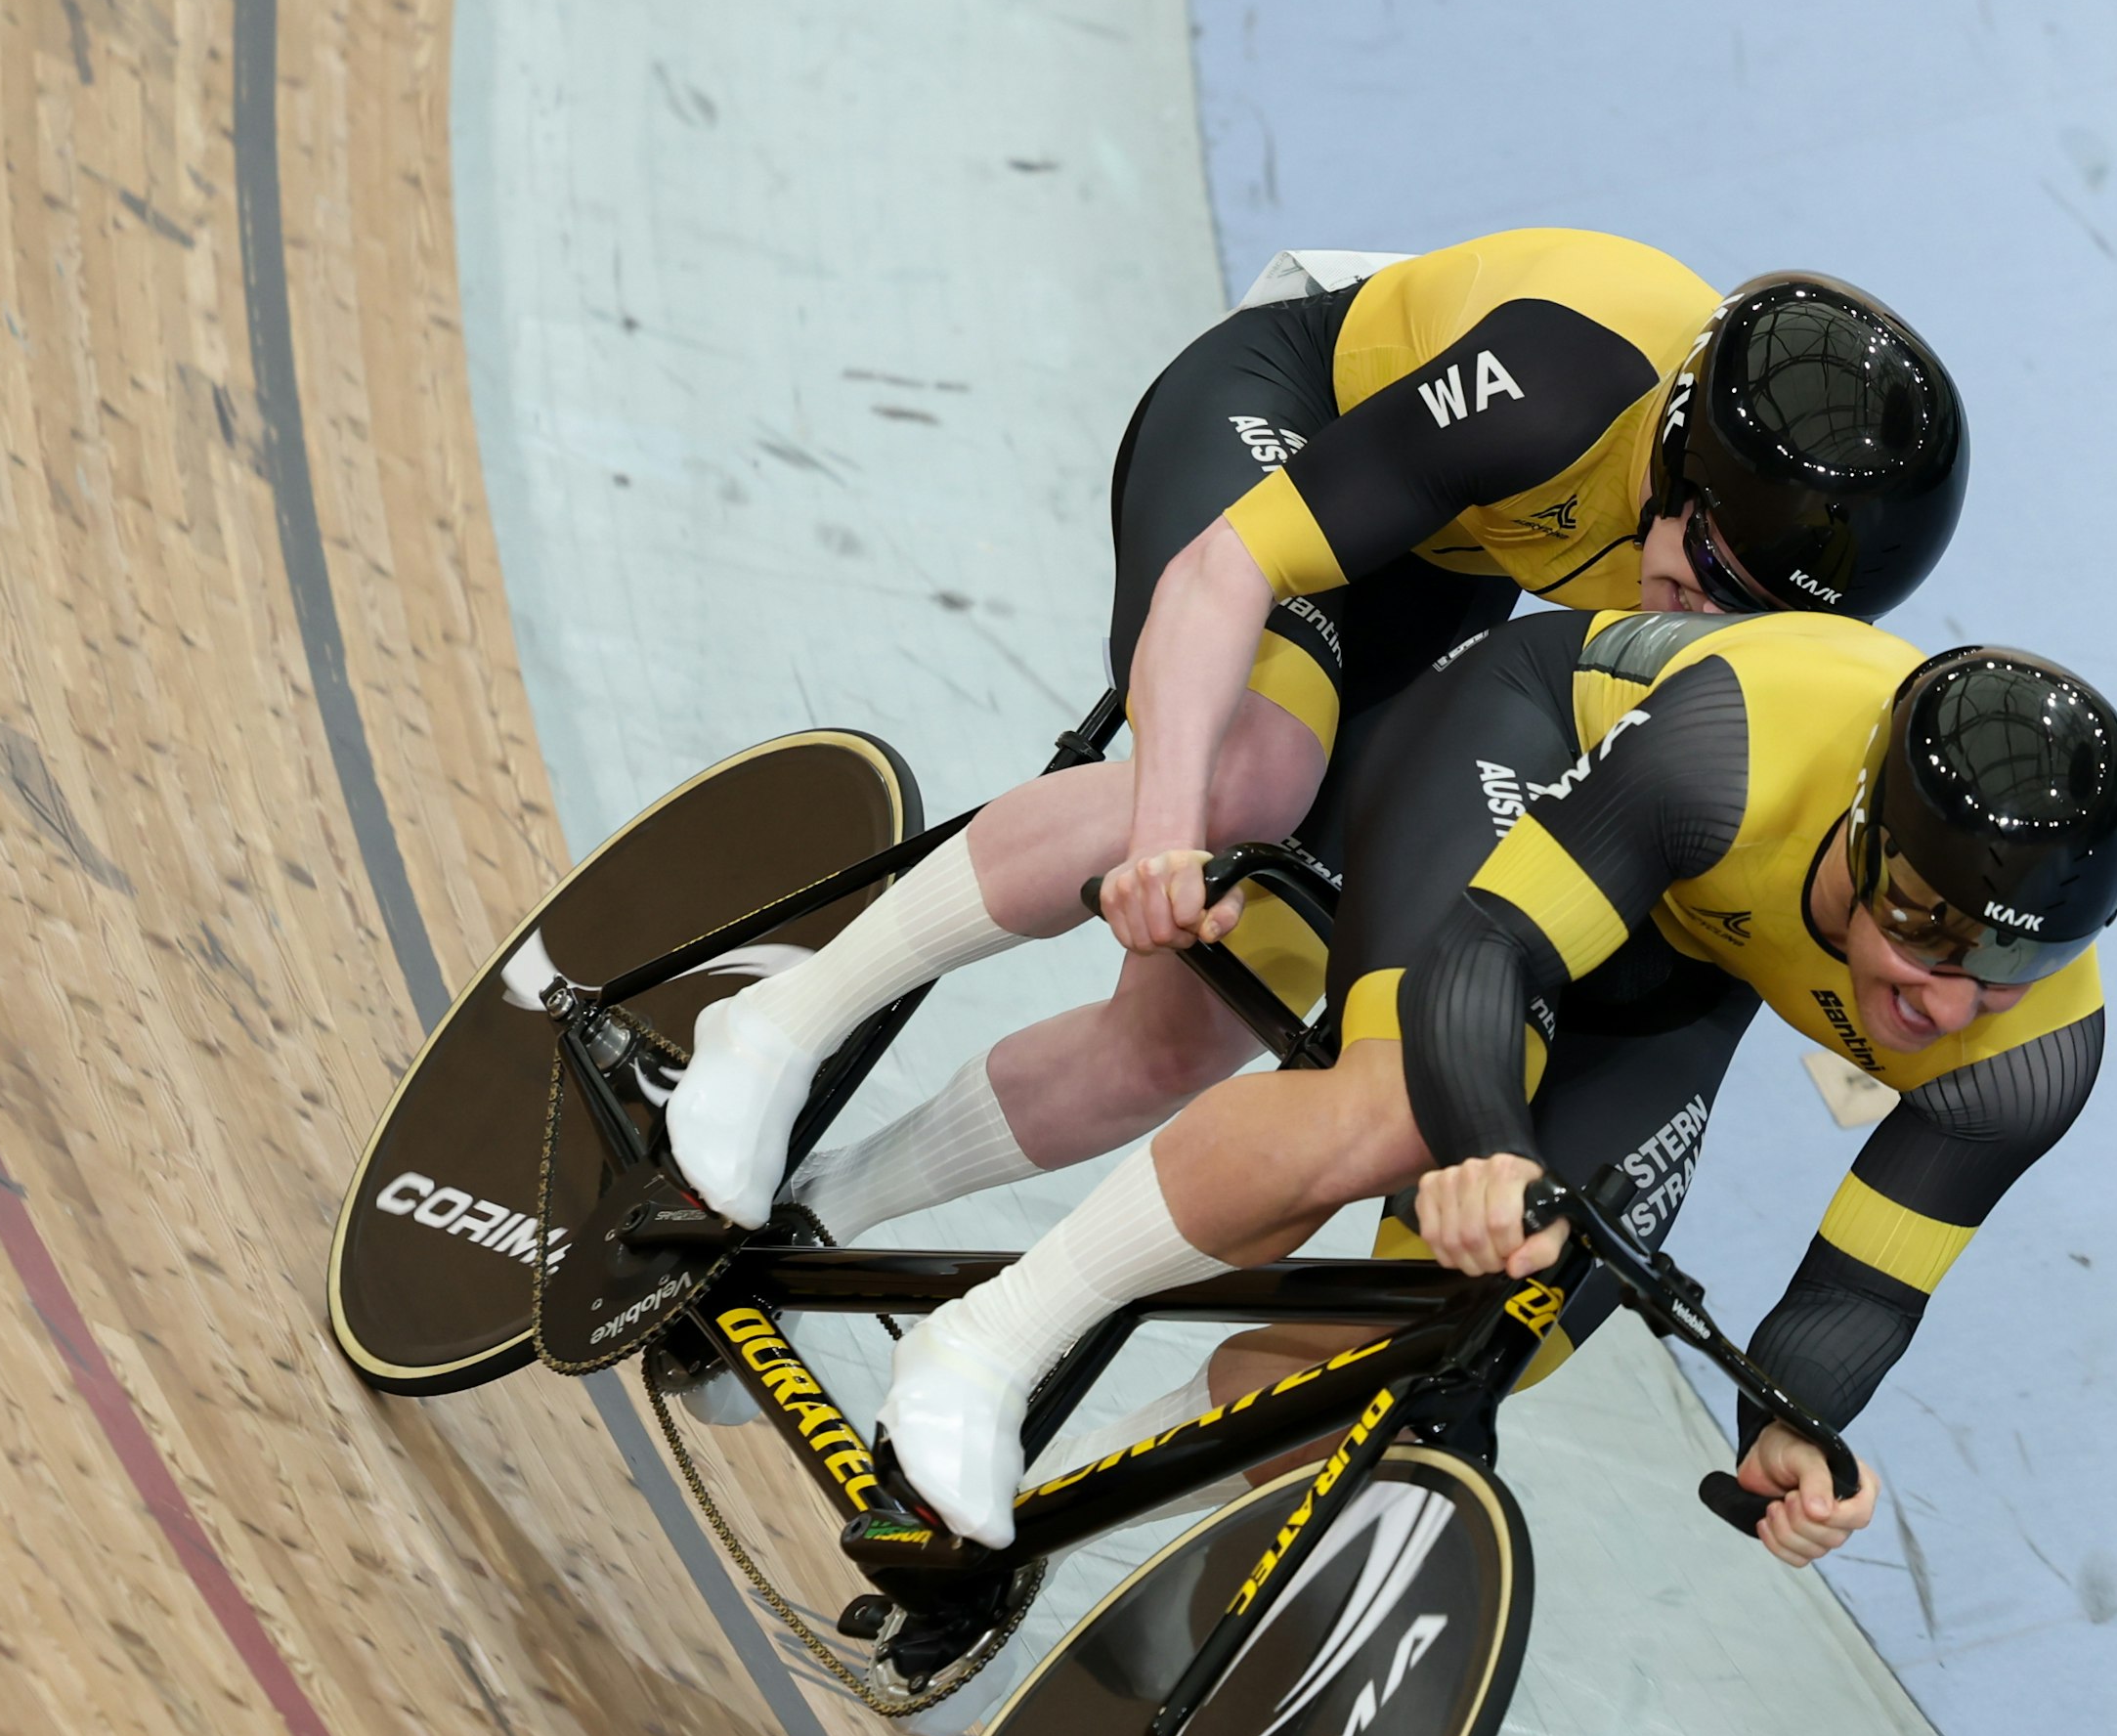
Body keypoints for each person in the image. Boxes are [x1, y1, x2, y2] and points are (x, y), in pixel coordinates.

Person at [664, 234, 1971, 1246]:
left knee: (1198, 1028)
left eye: (1753, 612)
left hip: (1435, 564)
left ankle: (823, 1215)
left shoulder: (1725, 582)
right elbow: (1228, 567)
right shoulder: (1564, 383)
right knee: (1249, 779)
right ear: (1675, 458)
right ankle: (778, 1024)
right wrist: (1170, 827)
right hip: (1290, 429)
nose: (1699, 619)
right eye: (1702, 568)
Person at [865, 605, 2117, 1621]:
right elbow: (1488, 963)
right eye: (1924, 927)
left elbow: (1858, 1292)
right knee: (1401, 1107)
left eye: (2008, 965)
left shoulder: (2027, 1055)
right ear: (1860, 840)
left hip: (1687, 955)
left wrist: (1794, 1433)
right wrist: (1485, 1148)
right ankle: (983, 1343)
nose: (1950, 997)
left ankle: (1043, 1517)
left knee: (1477, 1339)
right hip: (1536, 756)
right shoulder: (1730, 752)